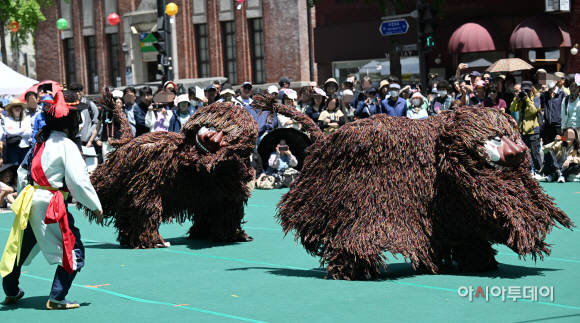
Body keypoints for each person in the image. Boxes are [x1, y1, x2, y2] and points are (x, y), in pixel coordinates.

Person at [0, 89, 102, 310]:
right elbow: (78, 180)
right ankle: (57, 297)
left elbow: (22, 172)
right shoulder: (67, 145)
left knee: (20, 247)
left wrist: (25, 194)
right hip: (51, 205)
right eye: (76, 117)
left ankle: (10, 291)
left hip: (30, 199)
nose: (79, 122)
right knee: (73, 249)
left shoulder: (39, 142)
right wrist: (95, 207)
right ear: (69, 120)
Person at [510, 81, 542, 176]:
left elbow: (533, 110)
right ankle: (527, 172)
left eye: (528, 90)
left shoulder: (536, 99)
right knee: (524, 155)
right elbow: (512, 109)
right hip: (522, 132)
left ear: (532, 89)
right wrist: (516, 98)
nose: (526, 92)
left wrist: (527, 99)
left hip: (533, 131)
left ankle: (539, 171)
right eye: (524, 91)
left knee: (535, 154)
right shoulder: (520, 100)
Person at [87, 94, 127, 161]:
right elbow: (97, 127)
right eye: (117, 102)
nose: (119, 104)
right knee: (107, 162)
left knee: (118, 163)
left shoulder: (122, 114)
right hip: (106, 142)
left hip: (118, 142)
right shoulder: (104, 112)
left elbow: (126, 129)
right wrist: (90, 141)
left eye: (121, 103)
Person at [68, 82, 99, 148]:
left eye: (79, 91)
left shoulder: (89, 104)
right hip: (72, 142)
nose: (77, 93)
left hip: (87, 143)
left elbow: (97, 122)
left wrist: (90, 135)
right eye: (75, 92)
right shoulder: (69, 106)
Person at [4, 100, 32, 165]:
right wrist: (21, 130)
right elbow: (9, 132)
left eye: (19, 106)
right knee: (14, 167)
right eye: (15, 106)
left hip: (25, 146)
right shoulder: (7, 119)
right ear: (11, 109)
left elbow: (29, 133)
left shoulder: (26, 119)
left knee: (24, 168)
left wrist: (15, 132)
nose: (17, 108)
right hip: (12, 147)